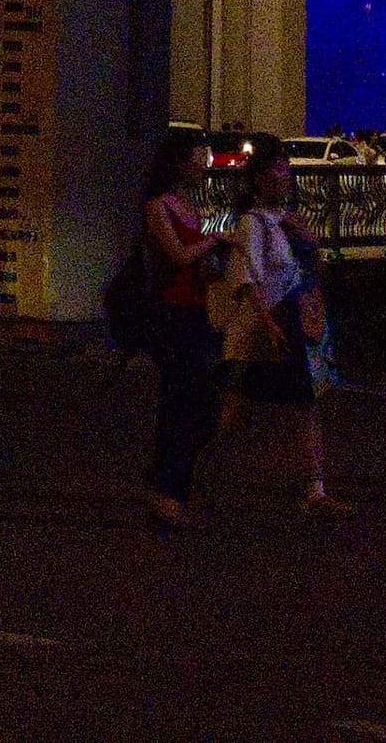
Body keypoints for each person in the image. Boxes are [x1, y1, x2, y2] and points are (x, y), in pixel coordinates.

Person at [218, 137, 351, 518]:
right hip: (261, 335)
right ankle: (194, 478)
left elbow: (313, 270)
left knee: (305, 405)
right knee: (236, 412)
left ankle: (315, 491)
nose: (286, 176)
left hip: (293, 329)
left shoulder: (288, 221)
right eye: (278, 169)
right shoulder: (252, 223)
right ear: (259, 178)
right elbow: (247, 280)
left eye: (287, 169)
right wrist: (269, 323)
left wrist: (309, 241)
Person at [140, 126, 227, 532]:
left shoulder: (188, 205)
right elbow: (177, 255)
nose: (204, 168)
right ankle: (169, 493)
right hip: (172, 315)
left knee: (200, 404)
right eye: (199, 161)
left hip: (195, 309)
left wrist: (213, 266)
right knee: (184, 404)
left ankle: (170, 484)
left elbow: (193, 262)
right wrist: (215, 240)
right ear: (179, 165)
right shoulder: (159, 207)